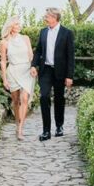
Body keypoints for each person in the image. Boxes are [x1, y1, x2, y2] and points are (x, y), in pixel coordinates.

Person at [30, 7, 75, 141]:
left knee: (59, 99)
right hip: (46, 70)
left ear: (55, 18)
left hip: (60, 71)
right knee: (44, 97)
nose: (45, 18)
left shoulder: (66, 33)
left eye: (47, 16)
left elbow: (70, 56)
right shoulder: (43, 32)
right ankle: (46, 131)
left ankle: (59, 126)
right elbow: (38, 51)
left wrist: (69, 76)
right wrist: (33, 65)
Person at [0, 16, 34, 141]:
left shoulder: (26, 39)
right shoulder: (4, 42)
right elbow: (3, 62)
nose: (19, 26)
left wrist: (33, 67)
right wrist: (4, 79)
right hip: (13, 71)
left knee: (24, 98)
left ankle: (20, 129)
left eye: (20, 24)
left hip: (26, 71)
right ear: (11, 27)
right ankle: (17, 123)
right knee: (15, 101)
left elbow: (31, 55)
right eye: (16, 24)